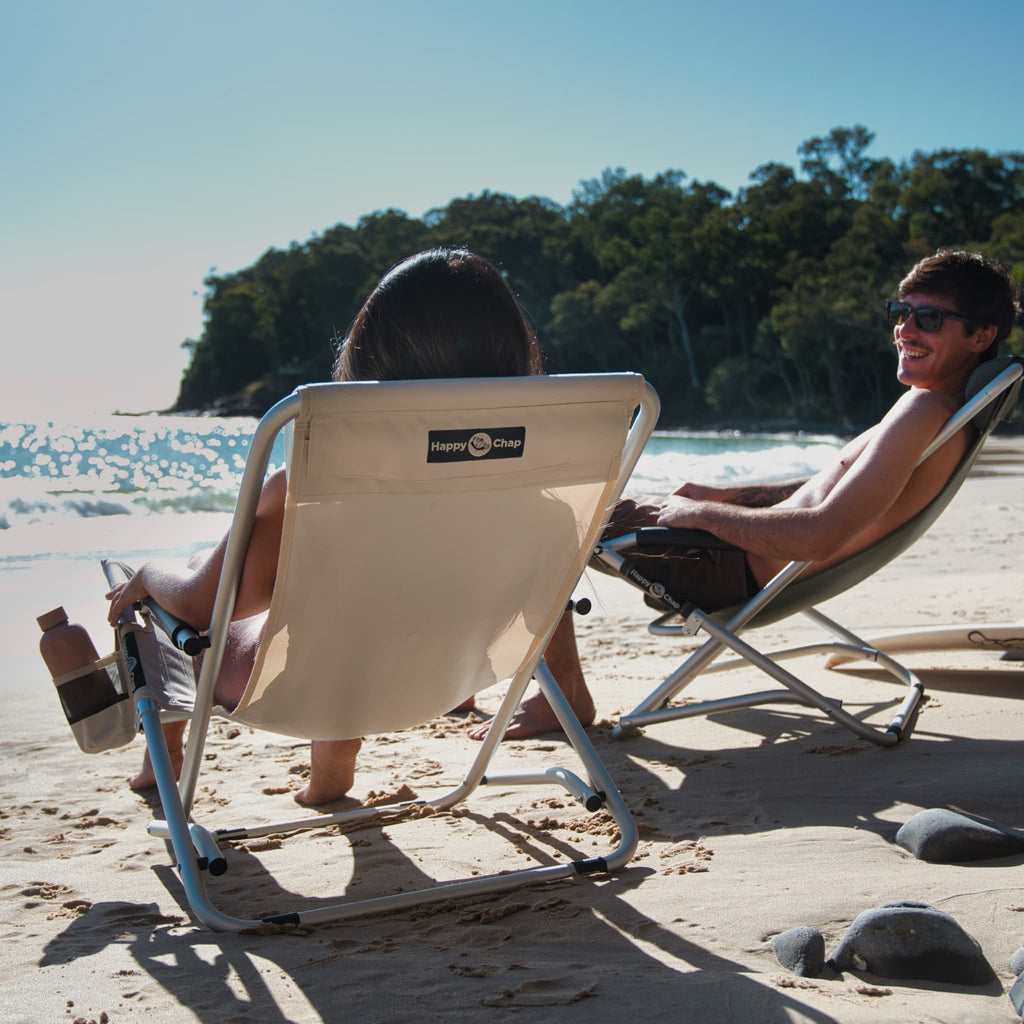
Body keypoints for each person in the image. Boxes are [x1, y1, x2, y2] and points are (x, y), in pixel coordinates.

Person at [470, 249, 1021, 741]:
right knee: (562, 509)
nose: (905, 330)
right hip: (738, 551)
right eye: (900, 313)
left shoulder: (924, 409)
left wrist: (701, 514)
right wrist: (727, 495)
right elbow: (825, 485)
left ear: (981, 336)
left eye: (929, 319)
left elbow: (820, 533)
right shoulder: (939, 410)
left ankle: (557, 694)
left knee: (538, 518)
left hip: (728, 566)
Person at [106, 248, 544, 803]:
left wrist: (147, 573)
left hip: (311, 689)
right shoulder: (538, 477)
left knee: (163, 596)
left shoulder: (315, 483)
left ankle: (165, 756)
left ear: (369, 353)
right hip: (455, 676)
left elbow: (202, 607)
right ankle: (331, 762)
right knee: (361, 600)